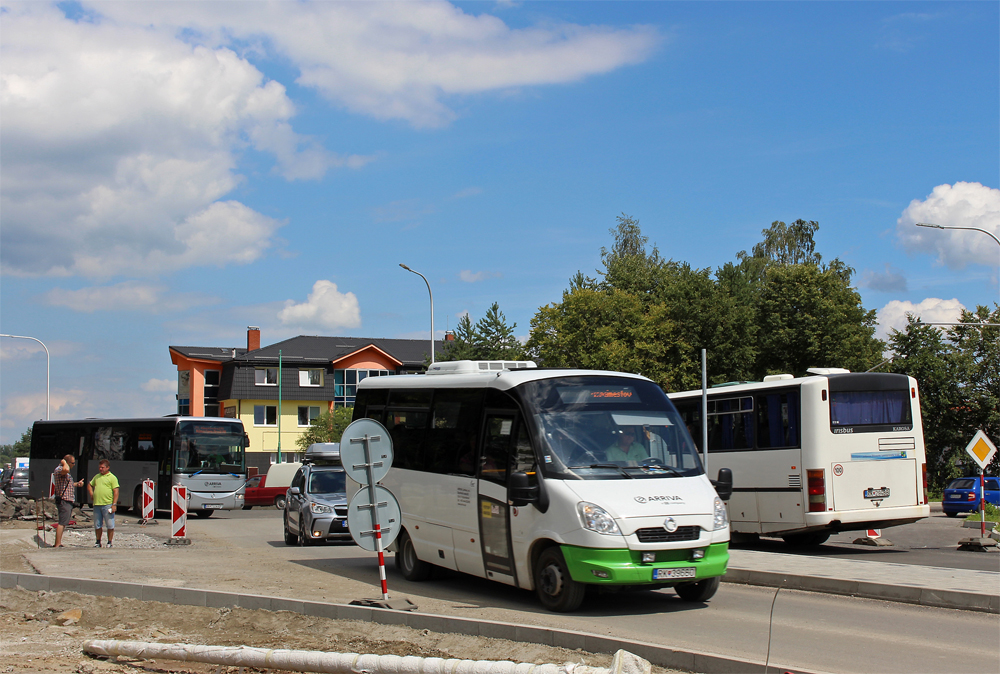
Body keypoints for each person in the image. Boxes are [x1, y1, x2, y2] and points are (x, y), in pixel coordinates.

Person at [52, 455, 84, 548]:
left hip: (67, 499)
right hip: (64, 500)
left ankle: (58, 543)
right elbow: (66, 470)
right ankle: (57, 544)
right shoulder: (60, 469)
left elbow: (67, 483)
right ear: (68, 462)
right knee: (62, 522)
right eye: (73, 463)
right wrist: (64, 462)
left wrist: (77, 484)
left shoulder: (64, 471)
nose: (74, 465)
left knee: (64, 522)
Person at [88, 459, 120, 548]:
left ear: (107, 467)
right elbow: (90, 485)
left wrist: (114, 504)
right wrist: (91, 493)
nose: (100, 469)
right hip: (97, 504)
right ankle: (98, 541)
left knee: (110, 524)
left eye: (102, 467)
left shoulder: (112, 477)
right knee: (97, 524)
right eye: (99, 467)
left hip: (107, 504)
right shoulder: (97, 477)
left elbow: (116, 491)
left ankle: (109, 542)